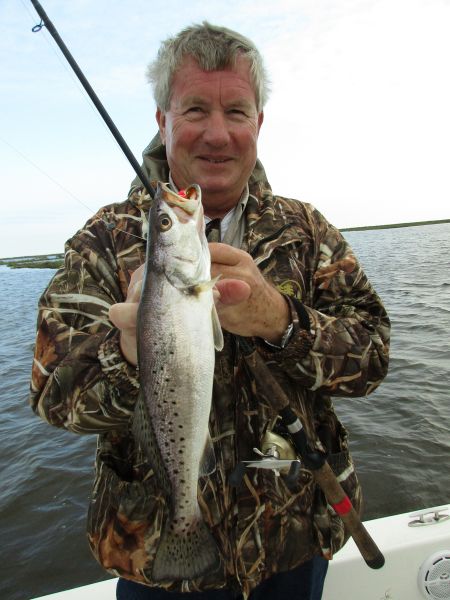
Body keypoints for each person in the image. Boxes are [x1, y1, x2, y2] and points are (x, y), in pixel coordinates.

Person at [30, 22, 390, 600]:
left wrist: (282, 321)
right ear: (163, 121)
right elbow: (52, 396)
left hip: (293, 542)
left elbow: (373, 359)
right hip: (152, 556)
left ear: (259, 123)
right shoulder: (101, 242)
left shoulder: (307, 231)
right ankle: (185, 521)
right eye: (195, 109)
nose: (217, 134)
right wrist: (127, 352)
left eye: (237, 112)